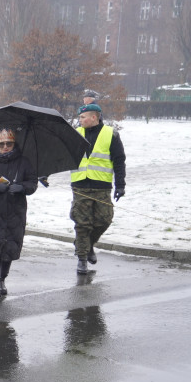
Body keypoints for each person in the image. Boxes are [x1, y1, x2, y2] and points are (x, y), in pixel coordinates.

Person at [0, 128, 38, 296]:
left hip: (15, 213)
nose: (5, 147)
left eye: (8, 144)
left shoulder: (23, 162)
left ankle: (2, 278)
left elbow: (32, 183)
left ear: (13, 144)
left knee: (10, 247)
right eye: (1, 144)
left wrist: (21, 187)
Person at [71, 103, 126, 275]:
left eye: (82, 117)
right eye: (79, 117)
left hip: (102, 186)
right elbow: (60, 155)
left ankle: (87, 246)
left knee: (105, 220)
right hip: (80, 186)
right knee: (82, 224)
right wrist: (45, 173)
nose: (80, 120)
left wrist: (120, 185)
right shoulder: (76, 134)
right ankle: (81, 259)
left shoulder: (111, 134)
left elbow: (119, 161)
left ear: (94, 117)